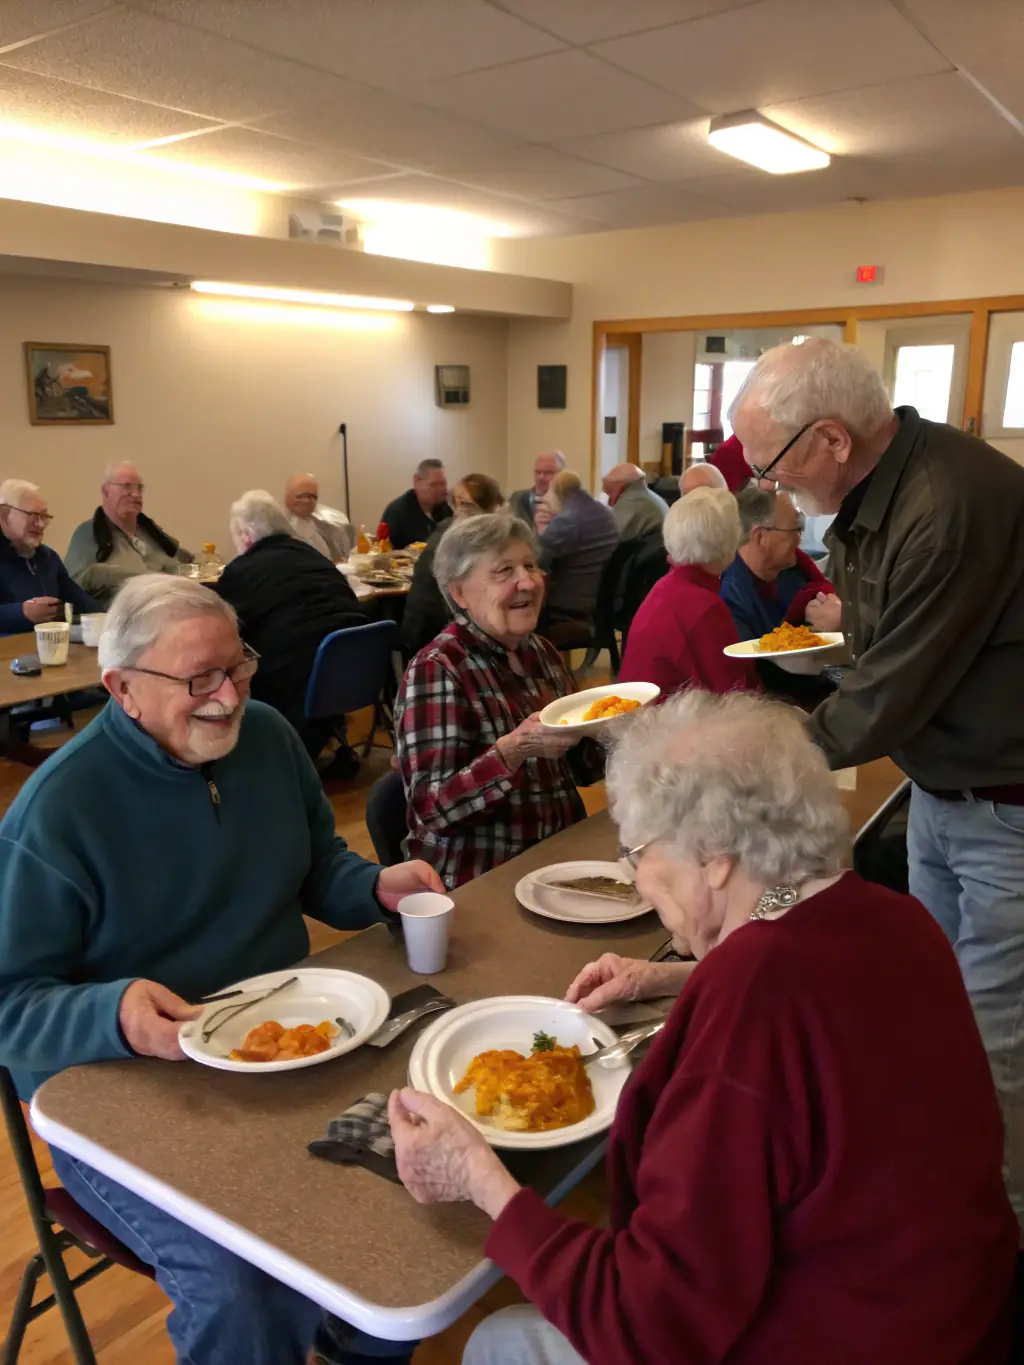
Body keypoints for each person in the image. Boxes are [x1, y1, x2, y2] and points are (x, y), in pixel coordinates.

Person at [388, 690, 1018, 1365]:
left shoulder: (750, 1011)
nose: (637, 878)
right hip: (964, 1313)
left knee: (496, 1340)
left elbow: (646, 1323)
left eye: (636, 852)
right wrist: (674, 977)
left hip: (839, 1336)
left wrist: (480, 1177)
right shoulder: (897, 920)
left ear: (714, 854)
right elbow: (798, 958)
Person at [0, 575, 442, 1365]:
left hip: (281, 1051)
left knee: (413, 1178)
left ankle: (350, 1345)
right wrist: (114, 1013)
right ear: (122, 689)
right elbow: (9, 1001)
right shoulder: (58, 812)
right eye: (198, 678)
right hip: (121, 1094)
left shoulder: (269, 737)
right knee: (244, 1283)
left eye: (237, 668)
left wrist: (373, 885)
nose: (229, 697)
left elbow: (316, 867)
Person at [730, 336, 1024, 1229]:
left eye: (773, 467)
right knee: (928, 1004)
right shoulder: (882, 489)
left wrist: (744, 770)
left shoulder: (945, 501)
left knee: (989, 1037)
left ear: (832, 439)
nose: (774, 490)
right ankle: (940, 1183)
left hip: (1006, 810)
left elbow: (885, 695)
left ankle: (991, 1235)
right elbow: (872, 647)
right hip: (945, 789)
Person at [395, 513, 603, 889]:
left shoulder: (541, 652)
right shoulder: (438, 669)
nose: (527, 581)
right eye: (504, 571)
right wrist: (513, 751)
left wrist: (612, 728)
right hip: (482, 876)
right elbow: (434, 809)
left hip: (556, 858)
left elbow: (585, 769)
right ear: (459, 593)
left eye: (530, 565)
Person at [214, 490, 366, 769]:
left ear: (246, 535)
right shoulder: (316, 558)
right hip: (355, 672)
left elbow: (226, 631)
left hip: (296, 685)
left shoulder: (241, 572)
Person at [618, 487, 759, 697]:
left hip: (638, 717)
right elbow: (734, 694)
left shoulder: (666, 587)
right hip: (667, 724)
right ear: (728, 541)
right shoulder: (704, 606)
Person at [400, 473, 504, 658]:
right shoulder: (459, 540)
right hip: (432, 640)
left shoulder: (454, 530)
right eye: (457, 503)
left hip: (432, 629)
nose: (456, 509)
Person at [720, 485, 840, 644]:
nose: (800, 539)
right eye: (794, 530)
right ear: (760, 537)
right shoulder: (729, 596)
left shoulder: (793, 574)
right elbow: (749, 664)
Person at [65, 462, 193, 605]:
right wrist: (146, 579)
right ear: (106, 491)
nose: (136, 494)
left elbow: (183, 559)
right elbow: (76, 580)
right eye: (127, 486)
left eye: (139, 488)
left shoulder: (148, 530)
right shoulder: (89, 532)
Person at [0, 478, 102, 634]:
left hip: (46, 649)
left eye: (44, 517)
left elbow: (82, 603)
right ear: (4, 515)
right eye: (33, 515)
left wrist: (113, 616)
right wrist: (21, 612)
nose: (40, 525)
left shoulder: (47, 557)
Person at [537, 470, 618, 643]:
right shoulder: (605, 513)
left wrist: (542, 528)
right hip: (597, 600)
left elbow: (536, 559)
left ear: (557, 492)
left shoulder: (566, 522)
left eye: (548, 492)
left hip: (570, 607)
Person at [380, 458, 451, 549]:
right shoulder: (397, 512)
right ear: (416, 482)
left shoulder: (446, 508)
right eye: (433, 485)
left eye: (442, 484)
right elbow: (383, 552)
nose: (440, 490)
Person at [283, 472, 354, 561]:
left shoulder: (329, 525)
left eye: (312, 497)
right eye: (301, 496)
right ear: (287, 496)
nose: (306, 501)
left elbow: (339, 558)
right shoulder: (277, 526)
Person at [601, 463, 668, 542]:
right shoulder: (650, 496)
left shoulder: (632, 502)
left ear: (621, 487)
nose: (609, 502)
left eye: (610, 492)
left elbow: (606, 540)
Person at [509, 451, 565, 533]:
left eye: (548, 473)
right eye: (538, 472)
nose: (540, 477)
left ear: (562, 475)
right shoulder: (517, 500)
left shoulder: (572, 504)